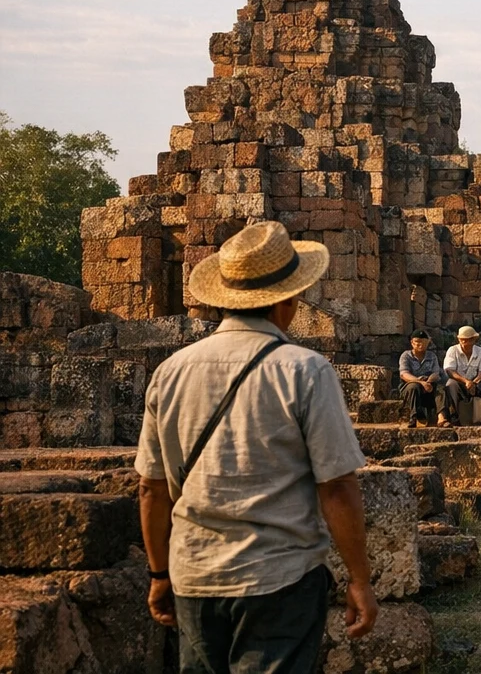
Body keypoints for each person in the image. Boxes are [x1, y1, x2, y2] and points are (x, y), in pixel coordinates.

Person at [135, 221, 378, 673]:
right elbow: (338, 487)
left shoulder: (170, 372)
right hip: (279, 577)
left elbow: (151, 488)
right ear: (289, 298)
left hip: (194, 572)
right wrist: (360, 579)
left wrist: (157, 573)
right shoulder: (306, 370)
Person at [442, 325, 481, 426]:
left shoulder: (480, 351)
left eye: (467, 340)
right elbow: (450, 371)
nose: (464, 343)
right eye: (462, 340)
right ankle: (453, 414)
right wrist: (466, 381)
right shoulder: (453, 350)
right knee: (451, 384)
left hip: (475, 381)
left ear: (473, 340)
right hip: (459, 382)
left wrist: (475, 382)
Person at [398, 331, 447, 428]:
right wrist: (420, 382)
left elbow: (436, 373)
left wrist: (428, 382)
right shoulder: (406, 356)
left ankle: (442, 416)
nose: (421, 344)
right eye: (418, 341)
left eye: (424, 342)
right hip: (410, 384)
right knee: (414, 386)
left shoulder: (431, 356)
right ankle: (415, 417)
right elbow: (404, 374)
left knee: (441, 389)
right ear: (412, 342)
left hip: (429, 384)